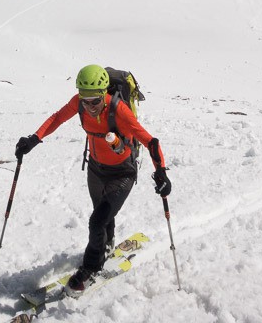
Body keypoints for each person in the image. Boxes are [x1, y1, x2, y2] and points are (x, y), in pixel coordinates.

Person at [15, 64, 171, 294]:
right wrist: (34, 139)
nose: (90, 107)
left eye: (95, 101)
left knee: (96, 221)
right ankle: (106, 245)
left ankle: (90, 267)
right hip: (96, 169)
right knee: (102, 212)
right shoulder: (79, 103)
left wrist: (162, 172)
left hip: (122, 173)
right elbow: (57, 118)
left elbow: (151, 142)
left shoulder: (118, 110)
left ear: (103, 94)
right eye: (85, 100)